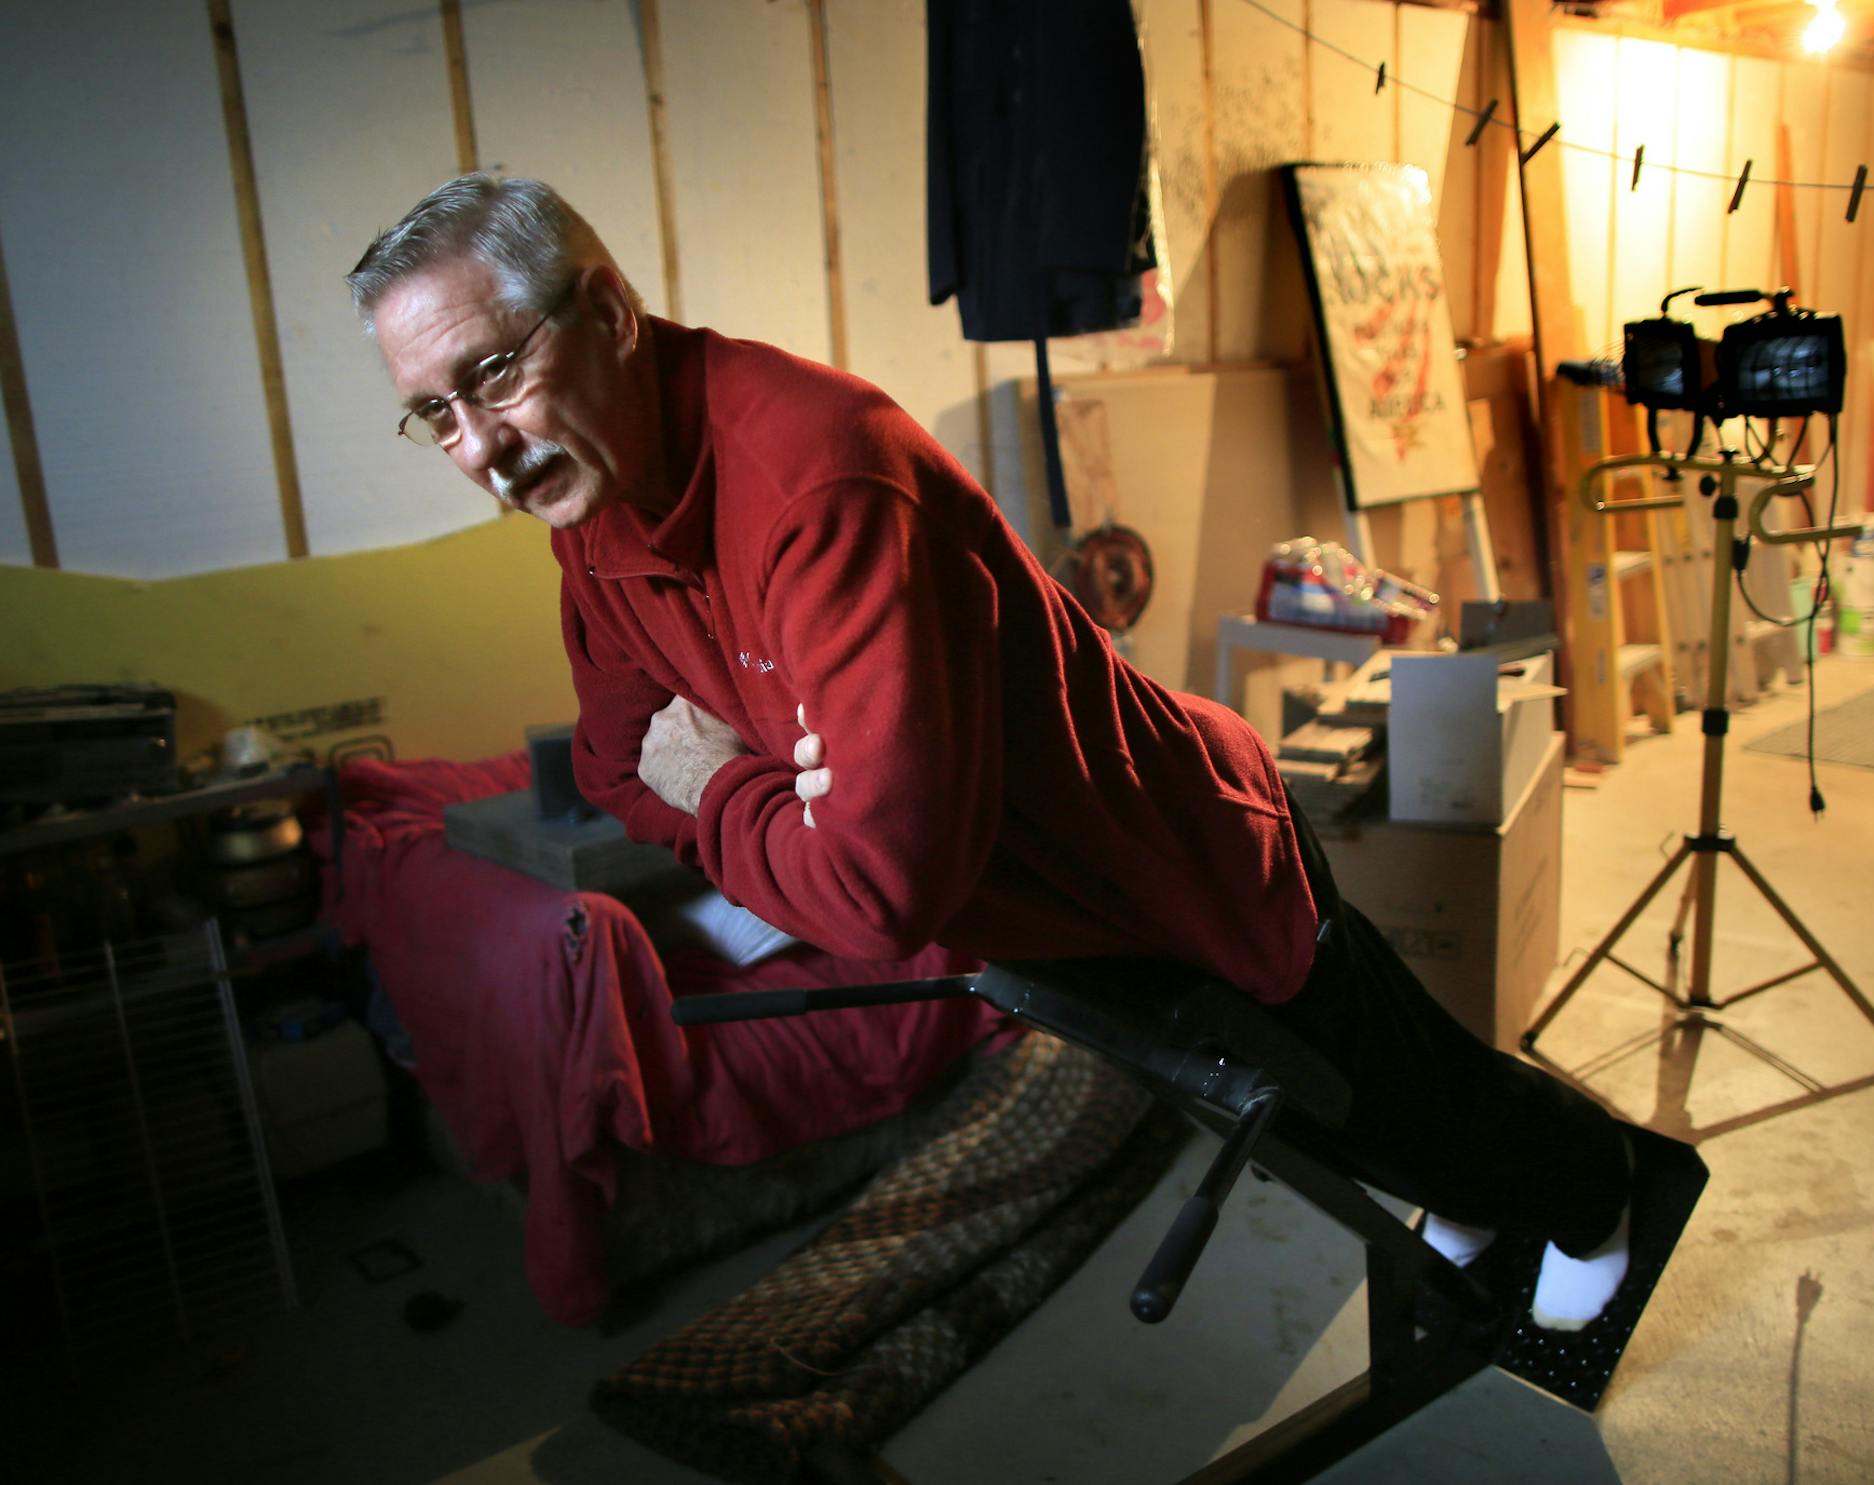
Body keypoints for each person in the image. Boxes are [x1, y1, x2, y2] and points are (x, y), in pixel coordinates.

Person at [348, 174, 1659, 1331]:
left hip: (1172, 855)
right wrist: (775, 805)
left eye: (494, 376)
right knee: (1325, 1115)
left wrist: (729, 779)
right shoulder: (593, 505)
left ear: (610, 311)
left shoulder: (820, 478)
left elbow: (873, 892)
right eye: (434, 415)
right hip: (1040, 917)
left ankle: (1595, 1193)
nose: (483, 453)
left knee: (1371, 1084)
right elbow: (622, 765)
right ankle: (1475, 1193)